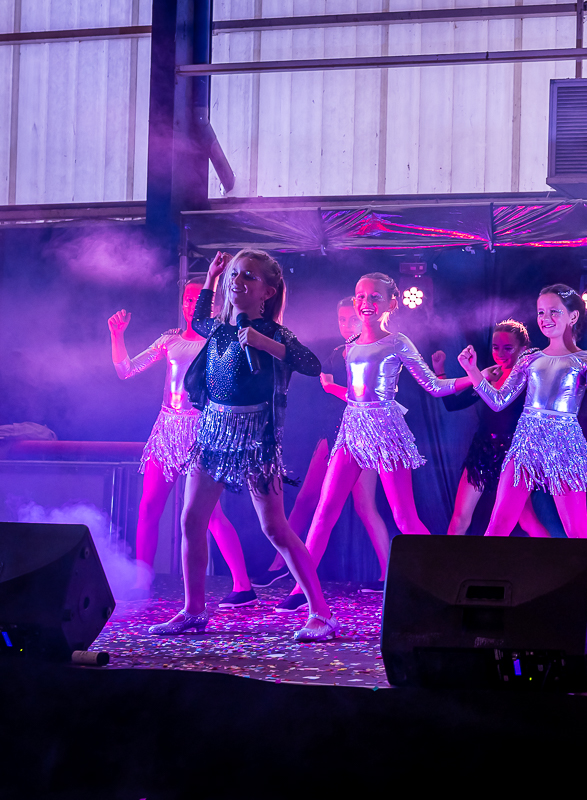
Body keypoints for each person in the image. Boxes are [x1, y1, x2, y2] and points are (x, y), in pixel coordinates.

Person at [148, 249, 336, 641]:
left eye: (248, 276)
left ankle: (321, 613)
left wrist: (267, 344)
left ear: (268, 291)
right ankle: (193, 611)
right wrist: (211, 279)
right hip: (213, 433)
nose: (238, 282)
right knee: (191, 520)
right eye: (235, 275)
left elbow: (311, 364)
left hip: (255, 438)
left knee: (275, 528)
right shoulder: (219, 329)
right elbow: (199, 320)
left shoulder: (275, 333)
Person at [276, 273, 474, 611]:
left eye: (374, 297)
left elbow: (433, 385)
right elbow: (357, 394)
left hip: (386, 430)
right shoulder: (351, 345)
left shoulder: (398, 342)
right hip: (352, 429)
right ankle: (300, 589)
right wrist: (332, 389)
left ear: (391, 303)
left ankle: (444, 580)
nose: (366, 303)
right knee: (325, 510)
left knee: (404, 517)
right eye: (361, 296)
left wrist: (472, 378)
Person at [457, 284, 587, 624]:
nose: (545, 318)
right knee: (497, 524)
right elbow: (499, 400)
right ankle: (478, 601)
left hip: (563, 446)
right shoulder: (530, 358)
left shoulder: (585, 359)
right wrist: (473, 372)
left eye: (554, 312)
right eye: (541, 312)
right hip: (526, 444)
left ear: (572, 316)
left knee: (578, 530)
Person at [109, 281, 255, 605]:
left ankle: (243, 586)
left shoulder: (219, 341)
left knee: (210, 515)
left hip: (201, 432)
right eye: (187, 299)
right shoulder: (169, 340)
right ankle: (141, 582)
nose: (192, 304)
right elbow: (126, 370)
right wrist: (117, 336)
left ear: (213, 305)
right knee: (149, 506)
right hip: (166, 430)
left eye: (199, 299)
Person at [253, 297, 393, 595]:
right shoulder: (337, 352)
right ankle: (280, 566)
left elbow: (371, 397)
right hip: (332, 432)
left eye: (351, 319)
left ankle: (388, 574)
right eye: (341, 319)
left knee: (365, 506)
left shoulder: (373, 352)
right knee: (306, 499)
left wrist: (332, 388)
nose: (346, 325)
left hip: (363, 434)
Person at [431, 321, 550, 538]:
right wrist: (440, 371)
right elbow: (453, 404)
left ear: (523, 349)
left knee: (527, 520)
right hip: (482, 452)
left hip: (514, 455)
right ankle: (448, 561)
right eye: (496, 347)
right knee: (459, 519)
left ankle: (557, 559)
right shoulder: (488, 376)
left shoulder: (528, 378)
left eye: (508, 348)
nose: (500, 353)